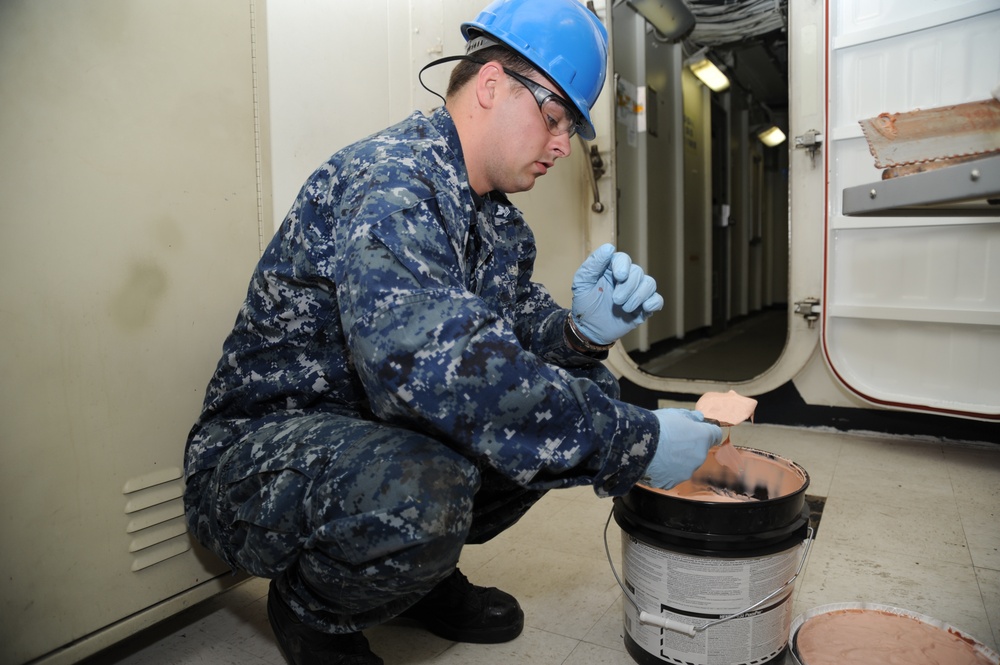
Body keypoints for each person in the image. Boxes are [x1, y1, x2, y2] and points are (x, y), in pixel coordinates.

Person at [182, 1, 723, 663]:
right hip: (259, 456)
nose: (562, 145)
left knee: (584, 387)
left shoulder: (497, 221)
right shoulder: (391, 182)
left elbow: (520, 338)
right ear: (491, 85)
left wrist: (579, 336)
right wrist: (633, 439)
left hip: (374, 440)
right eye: (555, 119)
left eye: (570, 130)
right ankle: (314, 611)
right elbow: (427, 371)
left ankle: (416, 578)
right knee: (430, 480)